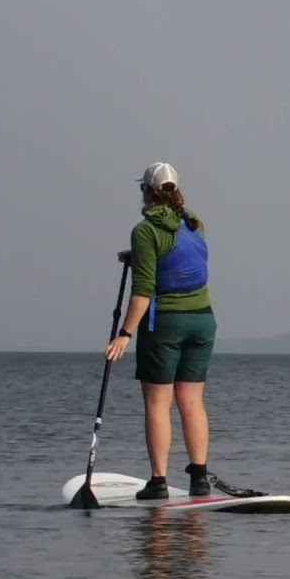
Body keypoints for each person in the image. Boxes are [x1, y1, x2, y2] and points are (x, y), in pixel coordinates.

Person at [105, 162, 217, 500]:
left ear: (148, 191)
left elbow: (143, 292)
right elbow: (179, 258)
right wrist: (139, 256)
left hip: (165, 324)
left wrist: (124, 334)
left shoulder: (144, 230)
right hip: (203, 320)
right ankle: (199, 478)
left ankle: (158, 482)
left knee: (158, 403)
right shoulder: (194, 223)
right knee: (192, 401)